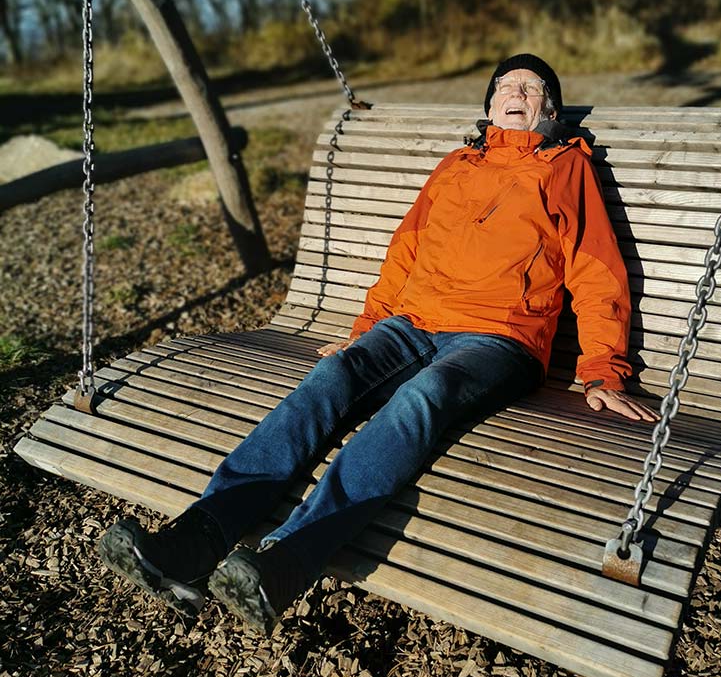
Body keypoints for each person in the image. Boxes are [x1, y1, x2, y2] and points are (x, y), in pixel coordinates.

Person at [98, 53, 659, 634]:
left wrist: (603, 368)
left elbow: (597, 272)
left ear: (551, 109)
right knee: (332, 376)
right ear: (490, 105)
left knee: (424, 395)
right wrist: (365, 331)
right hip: (413, 323)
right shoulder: (456, 165)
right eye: (505, 86)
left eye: (531, 86)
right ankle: (195, 540)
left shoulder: (567, 169)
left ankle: (288, 560)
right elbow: (405, 253)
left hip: (499, 337)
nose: (516, 92)